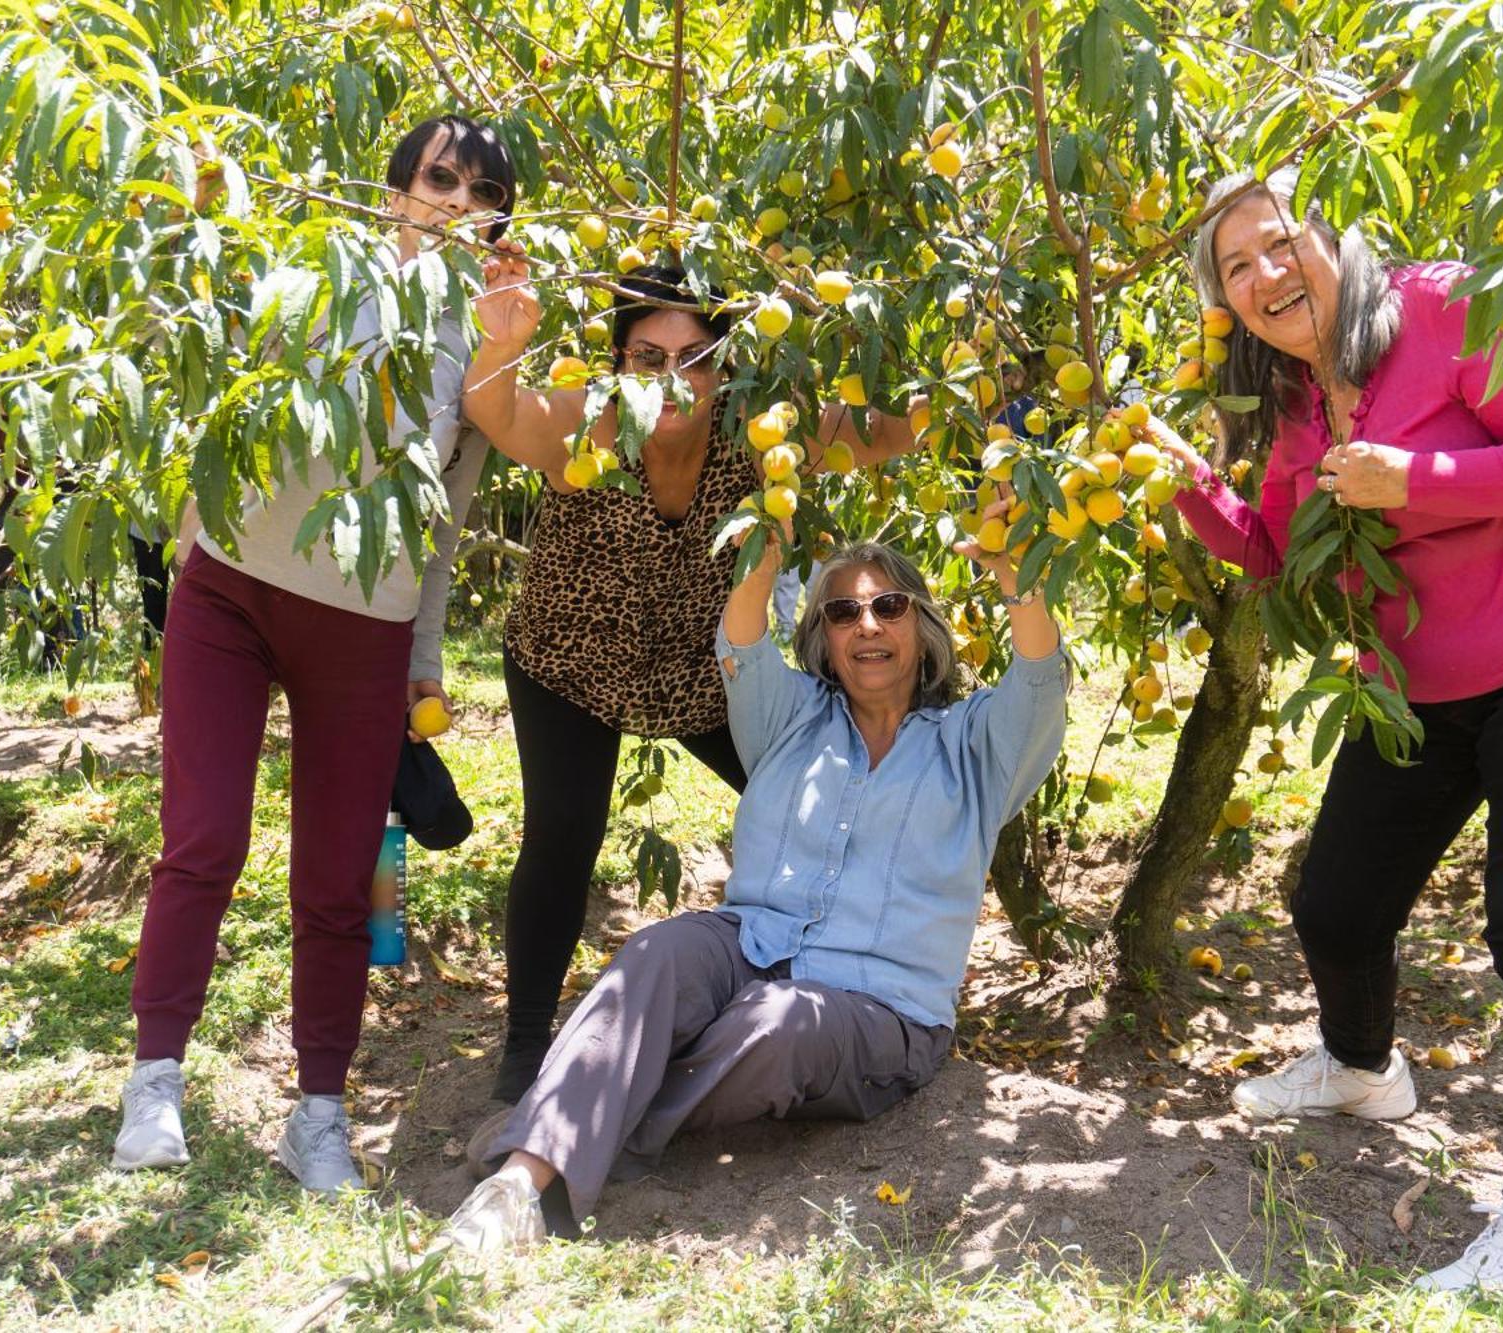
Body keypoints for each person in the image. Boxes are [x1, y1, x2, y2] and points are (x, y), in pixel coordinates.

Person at [1158, 167, 1503, 1297]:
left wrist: (1413, 479)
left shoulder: (1448, 307)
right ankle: (1360, 1065)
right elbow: (1280, 550)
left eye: (1276, 242)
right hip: (1420, 676)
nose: (1262, 273)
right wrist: (1182, 481)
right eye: (1234, 268)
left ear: (1332, 239)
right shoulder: (1290, 397)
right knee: (1331, 898)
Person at [436, 516, 1069, 1250]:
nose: (867, 624)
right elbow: (740, 642)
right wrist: (758, 565)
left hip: (881, 1009)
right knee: (656, 955)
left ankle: (578, 1127)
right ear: (824, 640)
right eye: (842, 611)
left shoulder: (977, 747)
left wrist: (1019, 585)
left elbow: (1037, 679)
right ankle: (518, 1181)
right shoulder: (790, 716)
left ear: (922, 628)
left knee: (774, 1024)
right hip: (752, 942)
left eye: (888, 605)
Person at [111, 115, 516, 1192]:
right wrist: (191, 534)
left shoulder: (485, 343)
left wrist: (421, 655)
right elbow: (221, 404)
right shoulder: (318, 274)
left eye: (485, 192)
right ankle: (155, 1080)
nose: (458, 201)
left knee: (348, 875)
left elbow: (446, 514)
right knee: (202, 840)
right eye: (441, 178)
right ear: (392, 193)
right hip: (233, 595)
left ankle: (320, 1111)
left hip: (366, 629)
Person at [462, 258, 924, 1104]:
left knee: (813, 803)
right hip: (571, 661)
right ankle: (526, 1043)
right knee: (562, 835)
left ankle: (846, 981)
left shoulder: (757, 430)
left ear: (727, 366)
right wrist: (501, 345)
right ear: (617, 364)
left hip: (699, 672)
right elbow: (503, 412)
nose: (673, 379)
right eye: (648, 357)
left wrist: (958, 373)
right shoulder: (593, 425)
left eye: (697, 358)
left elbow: (886, 432)